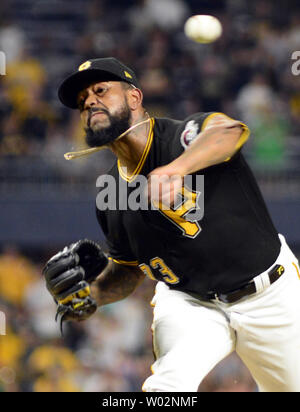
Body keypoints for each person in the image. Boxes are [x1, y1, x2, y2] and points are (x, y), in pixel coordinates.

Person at [43, 57, 300, 392]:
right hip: (189, 303)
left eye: (101, 90)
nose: (90, 100)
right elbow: (128, 269)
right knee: (166, 388)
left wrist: (177, 168)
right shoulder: (110, 193)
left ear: (134, 98)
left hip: (271, 294)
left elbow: (230, 131)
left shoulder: (180, 136)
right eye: (82, 102)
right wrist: (93, 295)